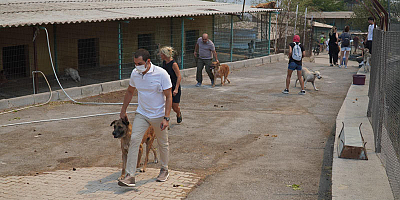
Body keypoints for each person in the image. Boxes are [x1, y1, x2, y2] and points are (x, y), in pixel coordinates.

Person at [118, 49, 172, 187]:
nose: (137, 66)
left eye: (139, 63)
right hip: (142, 114)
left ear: (148, 62)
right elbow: (130, 91)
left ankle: (164, 169)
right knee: (134, 140)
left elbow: (169, 96)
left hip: (159, 115)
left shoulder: (161, 74)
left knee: (162, 143)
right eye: (135, 63)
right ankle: (130, 176)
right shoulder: (135, 73)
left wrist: (166, 117)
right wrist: (123, 110)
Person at [160, 46, 183, 123]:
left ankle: (178, 113)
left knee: (174, 106)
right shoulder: (164, 63)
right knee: (165, 105)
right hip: (166, 86)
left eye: (161, 54)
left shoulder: (173, 64)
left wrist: (176, 88)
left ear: (165, 54)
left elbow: (179, 76)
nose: (160, 55)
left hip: (174, 86)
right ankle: (166, 121)